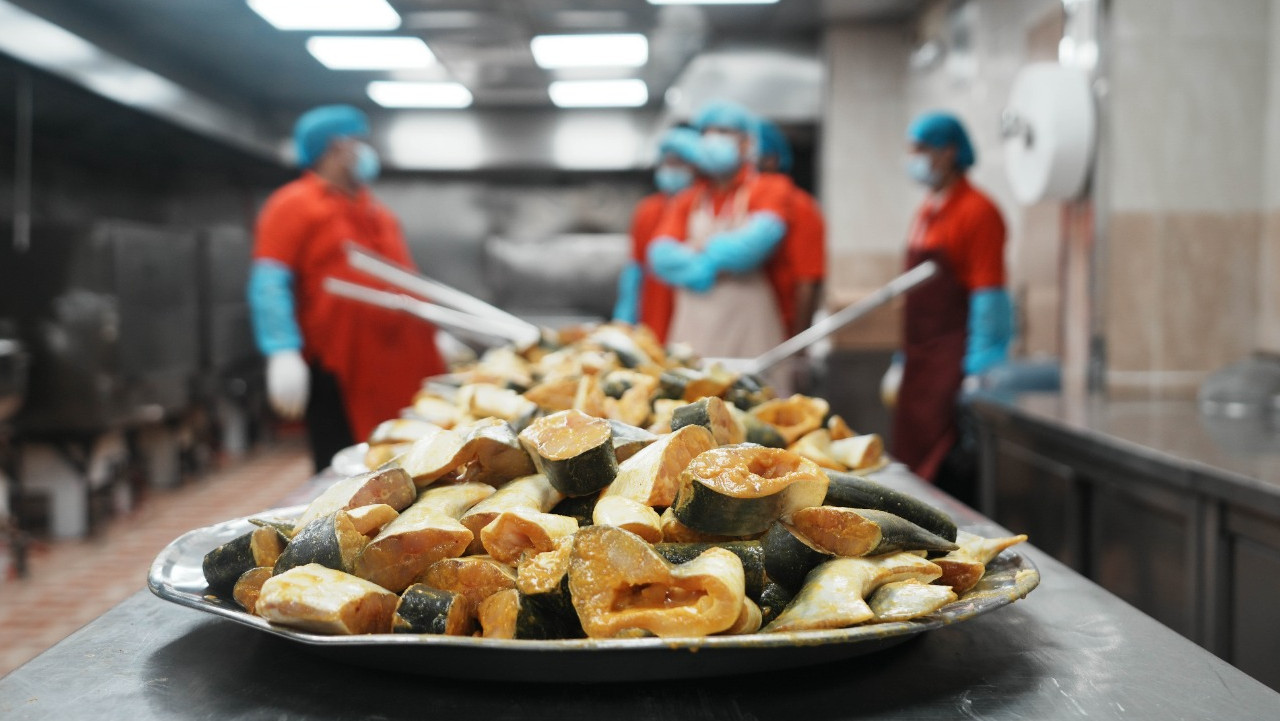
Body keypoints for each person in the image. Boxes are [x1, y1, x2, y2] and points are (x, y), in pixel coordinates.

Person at [247, 104, 446, 472]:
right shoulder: (292, 204)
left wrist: (431, 328)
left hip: (398, 365)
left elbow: (405, 279)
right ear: (335, 147)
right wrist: (281, 349)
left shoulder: (377, 212)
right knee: (343, 470)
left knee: (403, 464)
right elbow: (270, 281)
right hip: (339, 367)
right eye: (356, 141)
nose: (363, 151)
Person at [889, 111, 1012, 499]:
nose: (914, 159)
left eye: (921, 150)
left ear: (948, 152)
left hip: (951, 366)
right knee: (913, 476)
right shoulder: (927, 211)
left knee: (947, 475)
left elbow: (988, 297)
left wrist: (978, 370)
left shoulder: (978, 211)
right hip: (919, 365)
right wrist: (902, 359)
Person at [644, 101, 794, 361]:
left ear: (746, 143)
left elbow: (752, 248)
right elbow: (660, 256)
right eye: (706, 133)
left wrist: (698, 252)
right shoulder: (687, 199)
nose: (712, 139)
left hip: (749, 329)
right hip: (694, 327)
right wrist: (717, 261)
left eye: (724, 132)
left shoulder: (770, 187)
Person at [612, 127, 704, 340]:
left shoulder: (702, 206)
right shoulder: (648, 210)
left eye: (679, 163)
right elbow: (635, 269)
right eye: (667, 162)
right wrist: (625, 317)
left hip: (694, 304)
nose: (671, 169)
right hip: (654, 306)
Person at [756, 119, 827, 341]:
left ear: (771, 160)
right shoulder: (737, 202)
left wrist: (798, 345)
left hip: (781, 330)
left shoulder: (800, 207)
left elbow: (808, 282)